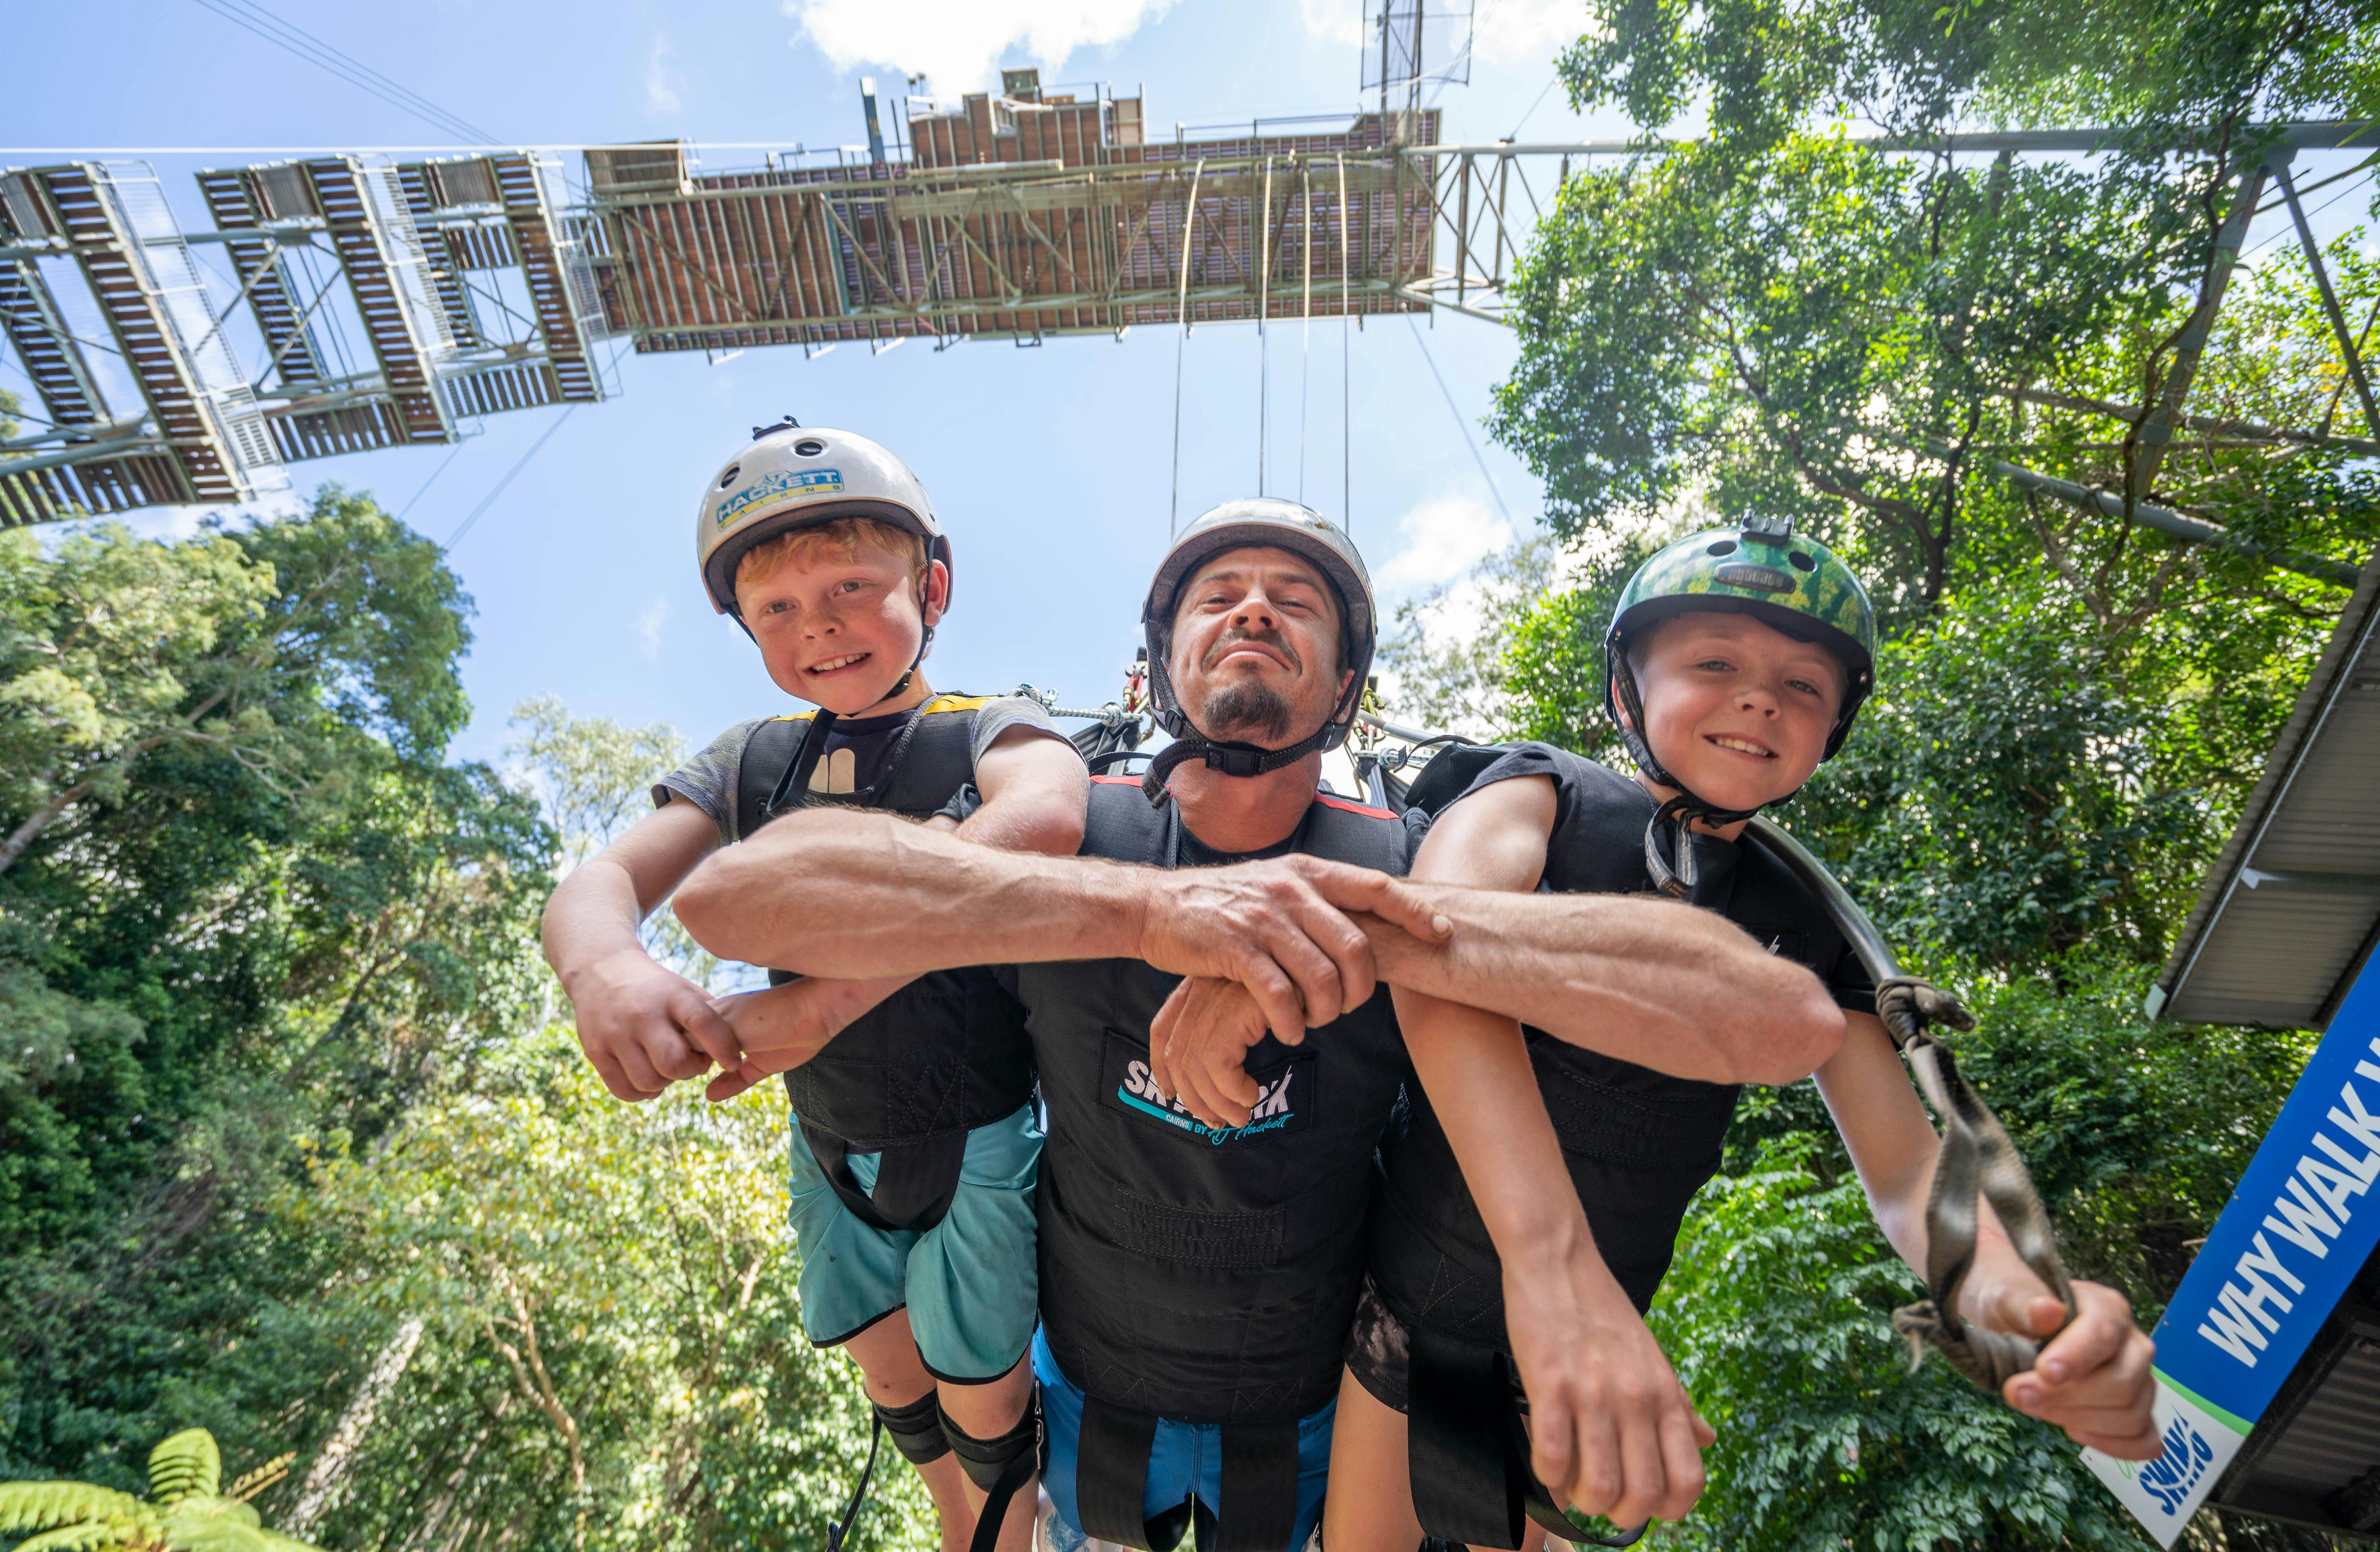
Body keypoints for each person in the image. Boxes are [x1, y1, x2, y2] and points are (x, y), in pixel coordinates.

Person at [679, 499, 1848, 1552]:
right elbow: (737, 900)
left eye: (1295, 602)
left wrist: (1366, 927)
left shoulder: (1403, 864)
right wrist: (1151, 912)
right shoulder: (1071, 829)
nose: (1252, 611)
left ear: (1345, 688)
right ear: (1160, 664)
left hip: (1309, 1414)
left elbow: (1775, 1016)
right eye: (1217, 597)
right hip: (1088, 1388)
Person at [1222, 516, 2158, 1551]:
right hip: (1417, 1296)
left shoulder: (1804, 919)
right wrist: (1550, 1266)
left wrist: (2024, 1303)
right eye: (1716, 663)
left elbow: (1906, 1173)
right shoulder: (1543, 794)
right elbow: (1432, 958)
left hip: (1584, 1346)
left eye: (1804, 686)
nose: (1762, 698)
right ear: (1628, 689)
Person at [539, 421, 1086, 1552]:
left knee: (984, 1390)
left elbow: (1043, 817)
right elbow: (605, 880)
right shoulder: (755, 758)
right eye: (776, 608)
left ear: (931, 588)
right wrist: (604, 964)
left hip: (975, 1124)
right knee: (886, 1367)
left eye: (850, 587)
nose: (818, 626)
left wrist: (820, 1002)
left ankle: (1009, 1530)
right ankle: (957, 1526)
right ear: (747, 630)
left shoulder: (984, 729)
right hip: (827, 1132)